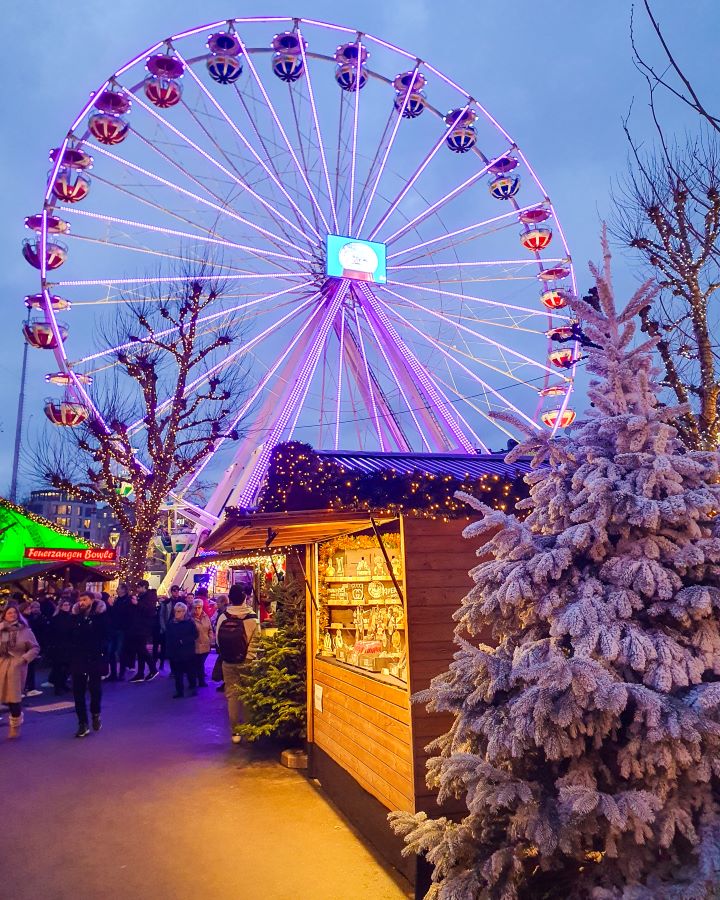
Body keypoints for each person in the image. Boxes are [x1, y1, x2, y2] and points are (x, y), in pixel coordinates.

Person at [216, 585, 260, 744]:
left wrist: (226, 655)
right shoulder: (252, 617)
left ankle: (235, 732)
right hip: (247, 662)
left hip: (228, 661)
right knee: (248, 695)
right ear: (245, 598)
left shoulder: (223, 616)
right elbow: (256, 640)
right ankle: (250, 731)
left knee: (232, 696)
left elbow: (217, 640)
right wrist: (250, 657)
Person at [69, 592, 108, 738]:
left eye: (84, 599)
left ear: (92, 600)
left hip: (94, 657)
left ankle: (95, 713)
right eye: (80, 600)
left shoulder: (99, 616)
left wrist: (102, 652)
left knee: (94, 689)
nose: (81, 602)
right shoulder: (75, 617)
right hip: (78, 657)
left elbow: (104, 635)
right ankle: (82, 723)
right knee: (78, 691)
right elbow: (70, 634)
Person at [0, 605, 40, 738]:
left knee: (13, 699)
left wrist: (24, 659)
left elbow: (35, 648)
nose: (12, 615)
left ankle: (15, 726)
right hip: (1, 665)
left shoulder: (25, 631)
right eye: (9, 613)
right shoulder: (2, 630)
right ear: (4, 615)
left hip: (16, 667)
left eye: (14, 613)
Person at [165, 602, 198, 698]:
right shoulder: (171, 623)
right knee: (178, 674)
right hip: (176, 653)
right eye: (175, 611)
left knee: (190, 672)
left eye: (179, 611)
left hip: (187, 652)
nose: (176, 613)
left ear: (184, 612)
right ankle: (179, 691)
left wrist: (184, 641)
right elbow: (168, 637)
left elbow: (195, 635)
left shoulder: (189, 623)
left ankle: (193, 688)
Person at [127, 581, 158, 683]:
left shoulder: (150, 597)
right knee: (140, 650)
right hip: (138, 627)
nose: (137, 589)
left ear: (144, 587)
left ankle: (153, 669)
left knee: (141, 649)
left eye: (139, 587)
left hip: (143, 627)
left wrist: (137, 603)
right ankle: (140, 673)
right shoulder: (141, 596)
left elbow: (150, 611)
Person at [48, 597, 74, 694]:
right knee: (58, 667)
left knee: (67, 667)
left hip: (68, 645)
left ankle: (62, 683)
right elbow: (52, 632)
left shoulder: (71, 617)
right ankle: (58, 687)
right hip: (58, 645)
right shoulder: (56, 618)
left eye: (68, 605)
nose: (67, 607)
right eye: (65, 605)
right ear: (61, 606)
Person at [23, 601, 48, 696]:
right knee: (28, 668)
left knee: (30, 668)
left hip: (32, 645)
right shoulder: (29, 620)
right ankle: (28, 687)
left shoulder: (36, 618)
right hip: (28, 646)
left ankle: (29, 687)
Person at [190, 598, 213, 688]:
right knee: (197, 664)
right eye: (195, 607)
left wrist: (210, 639)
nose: (197, 609)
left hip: (205, 644)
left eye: (199, 607)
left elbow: (210, 629)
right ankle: (197, 682)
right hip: (194, 645)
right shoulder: (190, 618)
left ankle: (200, 681)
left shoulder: (205, 616)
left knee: (200, 664)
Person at [153, 588, 177, 671]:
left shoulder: (168, 603)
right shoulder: (162, 604)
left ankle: (161, 663)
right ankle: (155, 662)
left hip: (165, 628)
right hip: (158, 628)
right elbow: (161, 616)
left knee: (163, 646)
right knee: (157, 646)